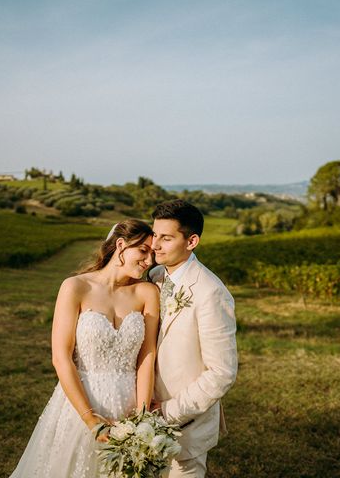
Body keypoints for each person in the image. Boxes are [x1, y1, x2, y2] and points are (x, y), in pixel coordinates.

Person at [9, 219, 160, 478]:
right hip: (81, 400)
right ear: (121, 245)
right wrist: (90, 419)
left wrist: (142, 417)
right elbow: (61, 358)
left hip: (129, 401)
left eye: (153, 255)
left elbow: (147, 356)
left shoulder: (147, 292)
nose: (148, 261)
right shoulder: (75, 287)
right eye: (143, 251)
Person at [149, 200, 238, 478]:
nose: (155, 245)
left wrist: (168, 412)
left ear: (192, 241)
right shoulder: (153, 276)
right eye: (155, 235)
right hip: (143, 414)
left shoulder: (211, 292)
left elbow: (222, 373)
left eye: (166, 238)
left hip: (185, 423)